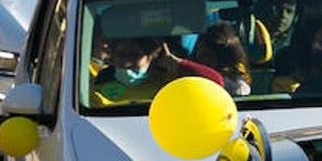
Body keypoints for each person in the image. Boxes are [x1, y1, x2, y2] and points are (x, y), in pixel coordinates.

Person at [89, 35, 223, 106]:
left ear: (150, 57)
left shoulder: (168, 83)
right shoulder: (98, 78)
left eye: (135, 55)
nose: (126, 62)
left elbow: (216, 83)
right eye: (121, 54)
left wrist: (178, 63)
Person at [192, 23, 252, 96]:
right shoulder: (193, 77)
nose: (198, 56)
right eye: (198, 51)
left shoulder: (236, 88)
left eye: (205, 55)